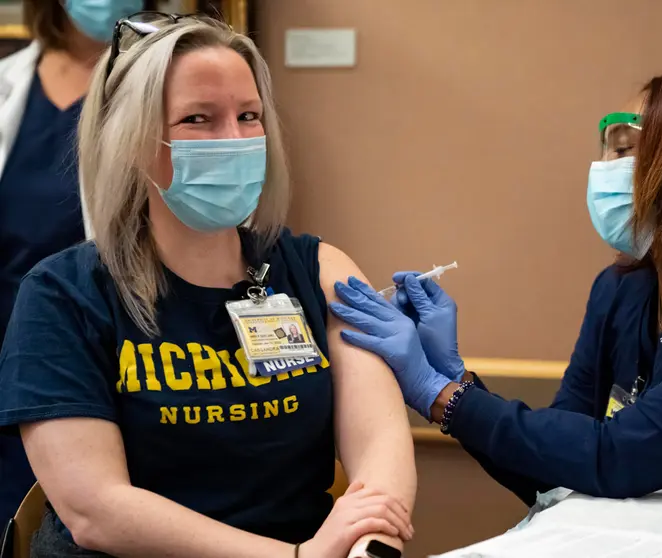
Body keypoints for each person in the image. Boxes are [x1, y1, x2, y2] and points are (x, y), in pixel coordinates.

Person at [0, 13, 415, 558]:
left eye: (249, 116)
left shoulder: (319, 270)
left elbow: (380, 454)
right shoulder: (62, 295)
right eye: (198, 119)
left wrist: (366, 547)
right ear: (130, 141)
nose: (235, 140)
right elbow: (95, 510)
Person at [330, 68, 662, 504]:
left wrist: (441, 395)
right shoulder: (622, 291)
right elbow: (560, 465)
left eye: (625, 152)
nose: (605, 172)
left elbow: (622, 456)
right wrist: (456, 379)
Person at [0, 0, 144, 528]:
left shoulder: (149, 81)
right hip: (4, 344)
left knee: (82, 514)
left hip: (95, 350)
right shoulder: (9, 82)